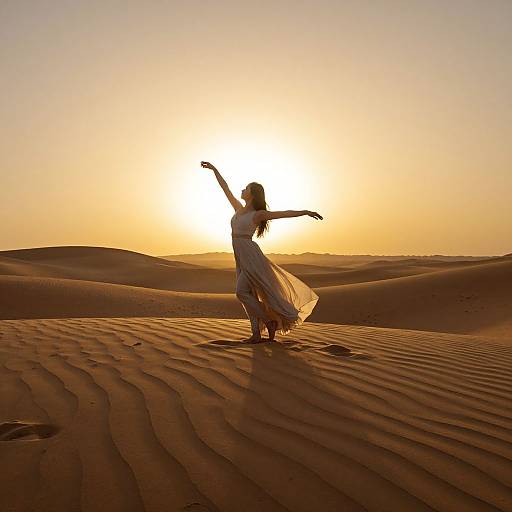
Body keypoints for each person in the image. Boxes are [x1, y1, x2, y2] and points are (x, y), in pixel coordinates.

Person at [200, 160, 323, 343]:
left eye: (246, 188)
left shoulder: (257, 215)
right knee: (248, 295)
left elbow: (282, 213)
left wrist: (304, 212)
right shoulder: (238, 209)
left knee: (241, 293)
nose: (242, 190)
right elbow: (224, 188)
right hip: (240, 256)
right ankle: (256, 334)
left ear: (252, 194)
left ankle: (269, 321)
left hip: (250, 255)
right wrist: (214, 169)